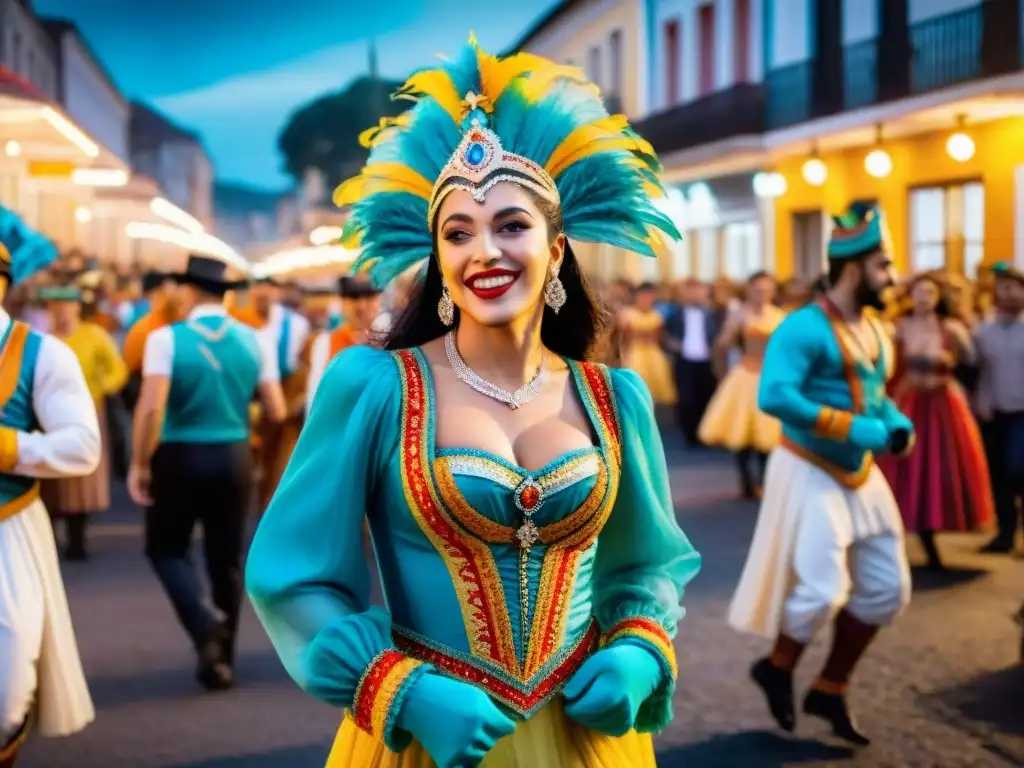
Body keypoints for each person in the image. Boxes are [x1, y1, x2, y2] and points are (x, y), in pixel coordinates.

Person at [246, 37, 701, 768]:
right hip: (425, 739)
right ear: (439, 263)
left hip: (588, 740)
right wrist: (400, 691)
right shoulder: (374, 387)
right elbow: (291, 574)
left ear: (556, 250)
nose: (483, 251)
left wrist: (640, 654)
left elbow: (644, 565)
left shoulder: (614, 398)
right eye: (457, 233)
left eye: (512, 225)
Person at [728, 204, 913, 746]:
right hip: (808, 465)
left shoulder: (877, 328)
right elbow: (774, 394)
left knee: (886, 589)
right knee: (824, 589)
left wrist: (896, 423)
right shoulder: (802, 327)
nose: (893, 277)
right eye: (885, 265)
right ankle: (778, 666)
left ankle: (830, 686)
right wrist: (856, 429)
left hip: (860, 472)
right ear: (854, 269)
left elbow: (879, 396)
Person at [129, 255, 286, 691]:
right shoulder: (258, 340)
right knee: (227, 561)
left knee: (166, 549)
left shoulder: (165, 338)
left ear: (190, 292)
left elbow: (151, 407)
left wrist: (140, 463)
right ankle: (223, 662)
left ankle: (202, 626)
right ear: (227, 294)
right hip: (233, 455)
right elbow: (274, 408)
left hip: (179, 455)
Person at [0, 206, 99, 766]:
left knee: (8, 686)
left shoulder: (41, 354)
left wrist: (11, 447)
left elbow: (83, 446)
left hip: (8, 528)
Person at [877, 272, 993, 570]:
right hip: (911, 401)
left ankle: (934, 529)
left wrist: (952, 353)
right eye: (919, 292)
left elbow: (971, 359)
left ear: (938, 297)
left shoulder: (949, 328)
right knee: (907, 465)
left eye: (930, 292)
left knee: (942, 466)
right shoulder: (898, 328)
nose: (924, 298)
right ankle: (905, 535)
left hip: (944, 404)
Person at [39, 283, 128, 560]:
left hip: (87, 410)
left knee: (82, 476)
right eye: (55, 307)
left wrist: (100, 388)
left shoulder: (94, 335)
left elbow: (117, 370)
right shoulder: (43, 339)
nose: (61, 312)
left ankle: (78, 538)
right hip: (48, 416)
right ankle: (51, 537)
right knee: (51, 479)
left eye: (66, 305)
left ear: (77, 307)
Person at [698, 271, 785, 498]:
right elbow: (721, 344)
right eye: (757, 289)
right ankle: (746, 481)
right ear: (749, 290)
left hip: (770, 376)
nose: (761, 294)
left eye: (766, 290)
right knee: (741, 429)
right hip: (745, 373)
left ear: (773, 291)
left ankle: (765, 480)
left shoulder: (779, 316)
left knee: (770, 433)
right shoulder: (740, 315)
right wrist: (722, 373)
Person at [973, 261, 1024, 554]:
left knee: (1019, 467)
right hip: (995, 411)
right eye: (1004, 288)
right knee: (999, 474)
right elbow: (980, 370)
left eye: (1015, 288)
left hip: (1022, 412)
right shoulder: (984, 332)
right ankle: (1005, 533)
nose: (1010, 294)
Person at [305, 274, 383, 408]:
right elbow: (315, 394)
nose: (361, 306)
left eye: (368, 297)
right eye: (354, 298)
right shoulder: (326, 341)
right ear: (342, 303)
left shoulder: (389, 342)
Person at [663, 279, 719, 448]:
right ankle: (689, 435)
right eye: (691, 291)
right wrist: (672, 343)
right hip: (684, 360)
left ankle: (704, 433)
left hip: (707, 360)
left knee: (706, 397)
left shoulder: (714, 313)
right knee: (686, 398)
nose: (695, 295)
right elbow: (665, 333)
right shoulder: (675, 313)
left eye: (699, 291)